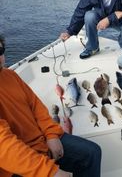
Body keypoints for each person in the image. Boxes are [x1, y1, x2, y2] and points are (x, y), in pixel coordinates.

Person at [0, 35, 102, 177]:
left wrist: (51, 134)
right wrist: (49, 172)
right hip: (15, 163)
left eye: (0, 50)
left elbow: (35, 106)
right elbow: (3, 146)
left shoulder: (10, 75)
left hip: (41, 141)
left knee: (92, 152)